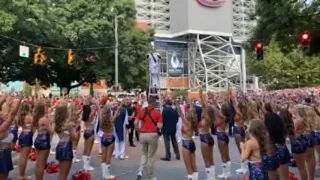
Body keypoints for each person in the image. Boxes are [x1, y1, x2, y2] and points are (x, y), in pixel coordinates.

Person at [135, 97, 163, 180]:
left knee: (144, 153)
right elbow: (160, 125)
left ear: (148, 102)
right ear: (154, 103)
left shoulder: (142, 111)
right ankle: (149, 177)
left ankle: (140, 170)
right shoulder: (157, 113)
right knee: (151, 156)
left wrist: (138, 130)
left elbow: (136, 122)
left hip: (143, 134)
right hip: (153, 135)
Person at [33, 101, 53, 180]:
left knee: (38, 163)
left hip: (38, 138)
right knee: (41, 164)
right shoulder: (44, 119)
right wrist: (53, 123)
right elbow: (51, 131)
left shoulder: (36, 118)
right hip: (44, 141)